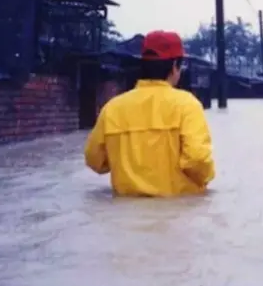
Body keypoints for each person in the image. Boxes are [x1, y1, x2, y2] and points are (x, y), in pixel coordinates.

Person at [84, 30, 215, 197]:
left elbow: (94, 160)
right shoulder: (187, 105)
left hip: (125, 214)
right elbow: (197, 159)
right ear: (175, 66)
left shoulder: (113, 108)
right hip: (179, 213)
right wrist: (205, 179)